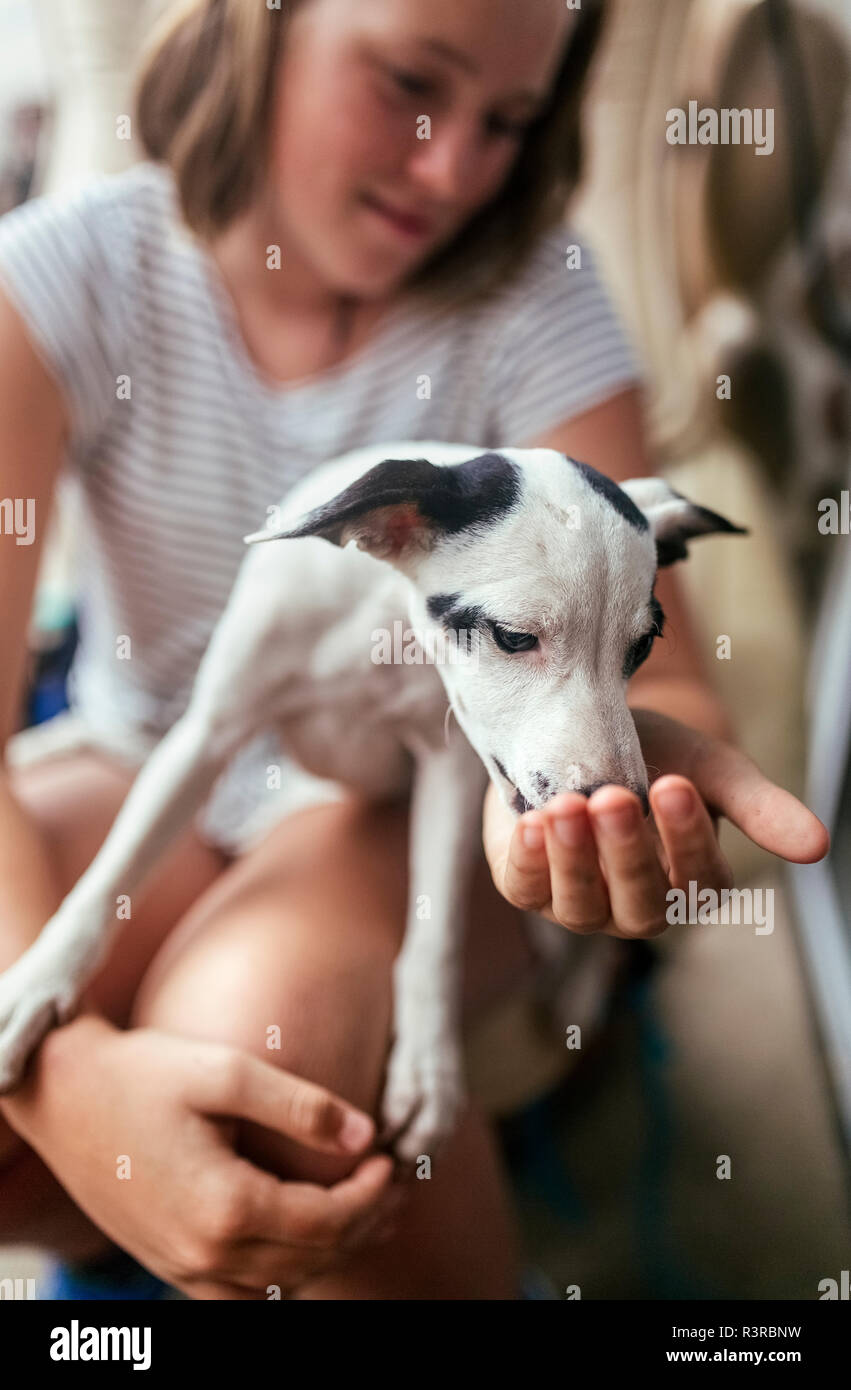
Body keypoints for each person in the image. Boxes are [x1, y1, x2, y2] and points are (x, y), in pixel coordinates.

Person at [0, 0, 828, 1300]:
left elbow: (648, 658)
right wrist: (67, 1083)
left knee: (259, 1046)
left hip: (394, 797)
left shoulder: (534, 298)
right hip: (148, 741)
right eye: (409, 83)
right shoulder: (64, 275)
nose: (454, 168)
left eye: (510, 120)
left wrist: (582, 791)